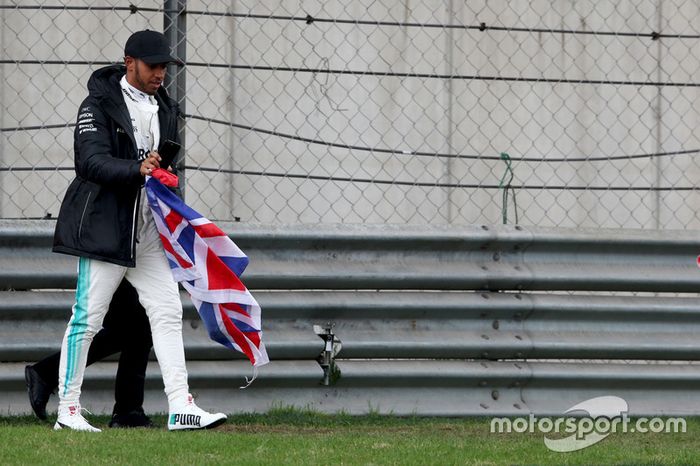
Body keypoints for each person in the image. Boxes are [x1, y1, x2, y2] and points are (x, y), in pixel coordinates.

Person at [51, 29, 226, 432]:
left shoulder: (167, 106)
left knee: (166, 312)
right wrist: (136, 168)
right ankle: (68, 410)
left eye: (165, 66)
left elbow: (167, 156)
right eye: (153, 65)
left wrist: (163, 173)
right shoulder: (96, 104)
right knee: (87, 319)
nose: (161, 73)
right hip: (105, 230)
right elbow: (90, 163)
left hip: (149, 230)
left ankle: (181, 406)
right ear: (129, 62)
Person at [25, 280, 154, 428]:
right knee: (134, 328)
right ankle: (128, 411)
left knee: (133, 328)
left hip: (128, 260)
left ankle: (129, 411)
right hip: (118, 260)